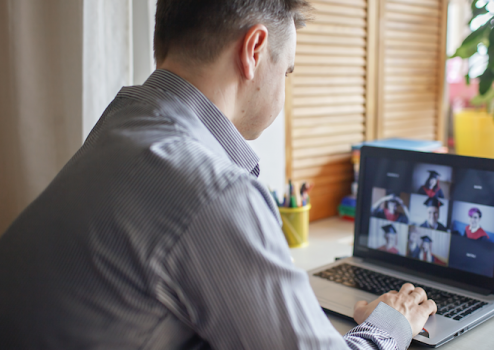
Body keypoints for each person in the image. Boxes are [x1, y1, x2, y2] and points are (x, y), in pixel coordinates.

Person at [0, 1, 436, 349]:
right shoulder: (212, 188)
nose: (284, 87)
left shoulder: (121, 125)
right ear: (254, 50)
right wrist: (390, 324)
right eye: (286, 71)